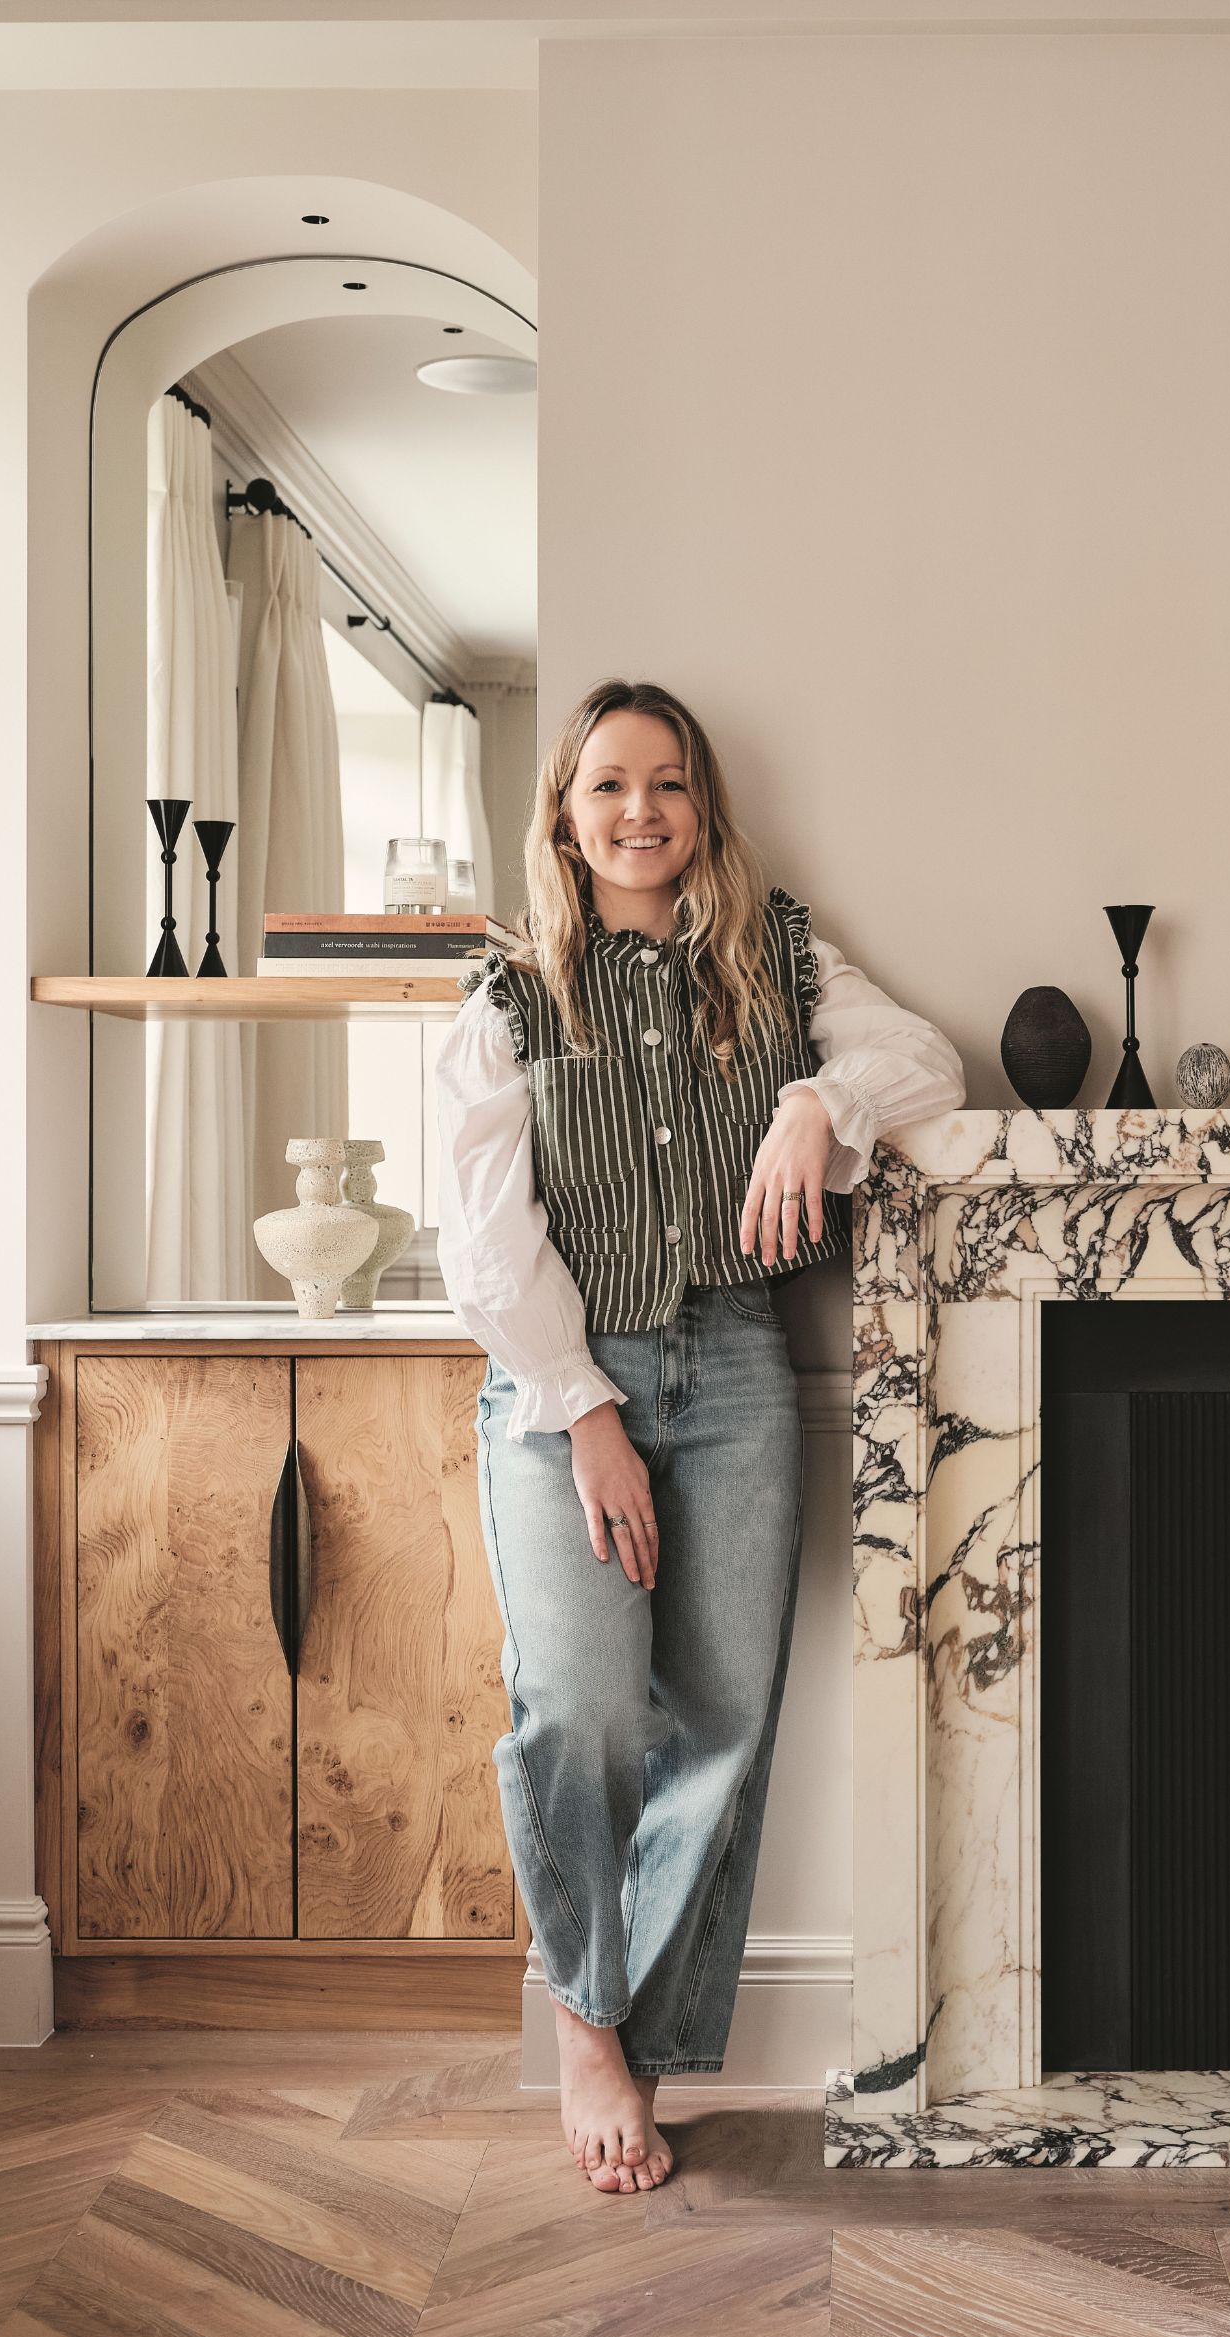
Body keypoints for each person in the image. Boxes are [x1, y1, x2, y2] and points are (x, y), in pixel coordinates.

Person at [433, 680, 963, 2193]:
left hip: (736, 1368)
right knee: (582, 1714)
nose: (641, 811)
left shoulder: (776, 954)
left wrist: (813, 1102)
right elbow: (486, 1243)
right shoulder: (508, 995)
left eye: (668, 785)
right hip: (559, 1382)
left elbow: (926, 1064)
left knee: (723, 1726)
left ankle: (625, 2041)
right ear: (564, 814)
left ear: (702, 810)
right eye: (609, 785)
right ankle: (589, 2024)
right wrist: (586, 1411)